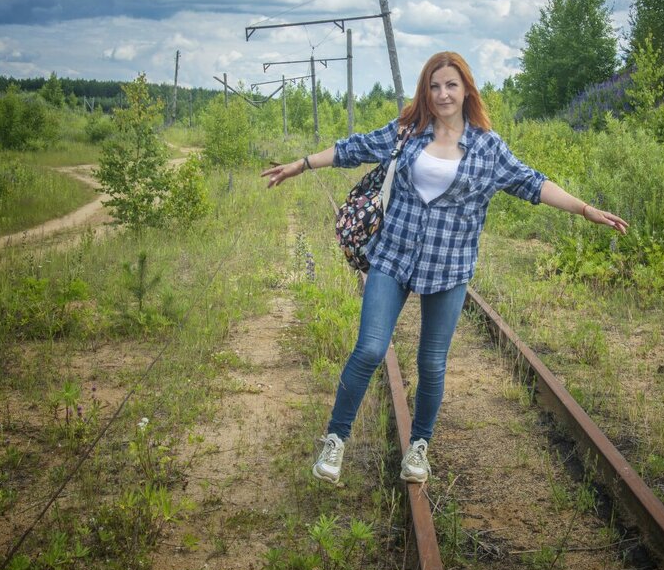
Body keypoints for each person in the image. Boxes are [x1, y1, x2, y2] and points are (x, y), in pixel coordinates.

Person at [262, 51, 628, 485]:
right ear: (426, 92)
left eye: (451, 85)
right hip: (393, 256)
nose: (442, 94)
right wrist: (301, 165)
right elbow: (351, 149)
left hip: (449, 266)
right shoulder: (408, 133)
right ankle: (336, 439)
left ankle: (419, 447)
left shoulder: (488, 148)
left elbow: (534, 184)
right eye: (434, 86)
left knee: (432, 363)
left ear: (466, 89)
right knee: (370, 349)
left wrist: (584, 209)